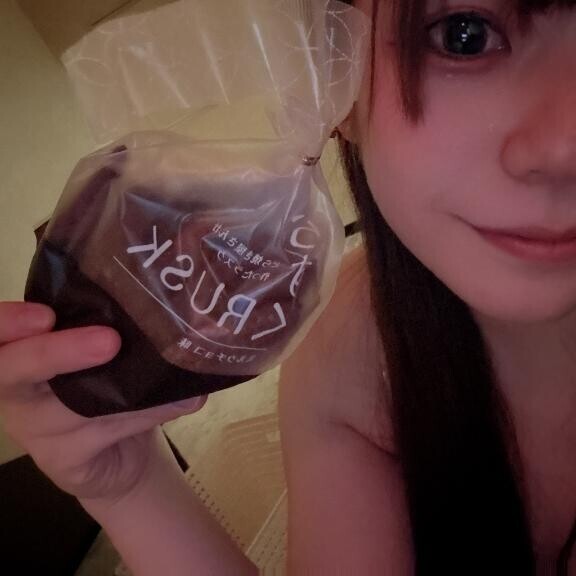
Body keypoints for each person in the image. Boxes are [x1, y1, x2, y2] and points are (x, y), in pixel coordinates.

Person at [1, 0, 576, 573]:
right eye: (464, 35)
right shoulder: (352, 349)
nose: (562, 150)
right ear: (336, 66)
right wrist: (130, 489)